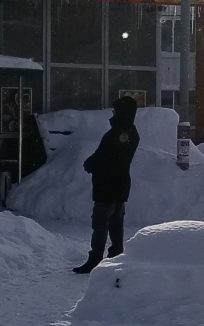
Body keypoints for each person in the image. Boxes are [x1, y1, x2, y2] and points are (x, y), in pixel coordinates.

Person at [73, 96, 141, 274]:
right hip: (121, 183)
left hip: (107, 185)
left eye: (115, 111)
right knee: (116, 222)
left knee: (101, 222)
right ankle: (116, 256)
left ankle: (95, 258)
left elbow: (104, 156)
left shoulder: (117, 133)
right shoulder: (131, 132)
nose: (112, 113)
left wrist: (91, 164)